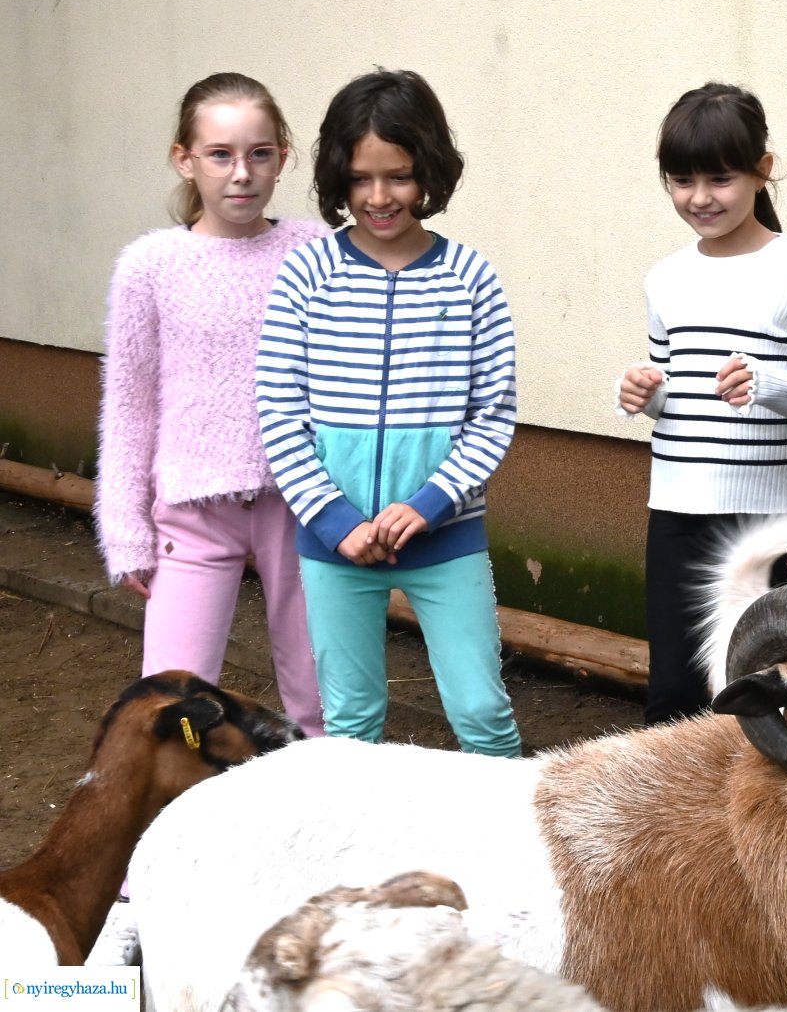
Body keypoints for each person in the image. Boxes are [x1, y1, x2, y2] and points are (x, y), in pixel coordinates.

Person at [255, 68, 520, 755]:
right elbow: (279, 413)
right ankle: (357, 855)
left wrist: (429, 503)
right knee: (350, 724)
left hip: (446, 537)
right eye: (360, 177)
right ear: (337, 176)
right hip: (333, 544)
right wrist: (336, 520)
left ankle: (511, 856)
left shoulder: (471, 278)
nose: (378, 197)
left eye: (398, 175)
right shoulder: (306, 275)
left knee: (482, 711)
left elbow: (492, 416)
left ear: (428, 168)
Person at [95, 73, 326, 737]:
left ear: (283, 156)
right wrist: (126, 528)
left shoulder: (314, 252)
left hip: (302, 503)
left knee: (320, 685)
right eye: (220, 154)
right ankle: (177, 819)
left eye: (259, 153)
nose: (241, 173)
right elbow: (130, 402)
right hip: (193, 513)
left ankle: (327, 812)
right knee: (171, 698)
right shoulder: (151, 265)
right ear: (185, 159)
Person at [616, 83, 787, 724]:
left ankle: (774, 819)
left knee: (768, 689)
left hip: (768, 518)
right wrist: (645, 395)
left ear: (761, 171)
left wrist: (771, 385)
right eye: (681, 180)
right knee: (676, 689)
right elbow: (669, 385)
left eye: (720, 178)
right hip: (676, 509)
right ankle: (677, 820)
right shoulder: (666, 277)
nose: (700, 198)